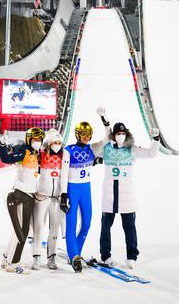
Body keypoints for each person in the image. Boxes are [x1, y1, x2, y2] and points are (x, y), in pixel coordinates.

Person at [96, 107, 160, 269]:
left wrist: (156, 139)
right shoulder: (107, 149)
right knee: (105, 225)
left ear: (127, 135)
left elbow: (151, 154)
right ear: (113, 135)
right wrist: (105, 120)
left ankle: (132, 256)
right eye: (118, 134)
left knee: (129, 226)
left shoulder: (131, 149)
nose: (120, 136)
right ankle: (106, 255)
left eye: (123, 134)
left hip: (126, 194)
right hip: (109, 193)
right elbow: (99, 142)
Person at [59, 119, 108, 272]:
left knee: (86, 223)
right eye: (83, 134)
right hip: (72, 189)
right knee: (71, 225)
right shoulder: (68, 149)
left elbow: (107, 138)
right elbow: (64, 173)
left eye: (88, 135)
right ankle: (74, 256)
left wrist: (106, 123)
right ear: (77, 134)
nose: (86, 137)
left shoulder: (91, 149)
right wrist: (63, 195)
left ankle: (75, 255)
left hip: (86, 189)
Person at [0, 127, 44, 274]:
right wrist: (2, 146)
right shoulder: (24, 151)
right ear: (29, 139)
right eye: (35, 139)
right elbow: (6, 158)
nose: (37, 142)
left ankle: (7, 258)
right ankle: (14, 263)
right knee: (22, 232)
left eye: (39, 139)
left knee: (19, 231)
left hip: (29, 196)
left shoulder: (36, 154)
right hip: (19, 195)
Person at [32, 129, 64, 271]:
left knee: (54, 229)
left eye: (59, 143)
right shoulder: (43, 154)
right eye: (54, 143)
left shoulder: (64, 156)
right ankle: (36, 257)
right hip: (42, 196)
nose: (56, 145)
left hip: (56, 198)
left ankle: (51, 257)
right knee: (38, 227)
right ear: (49, 143)